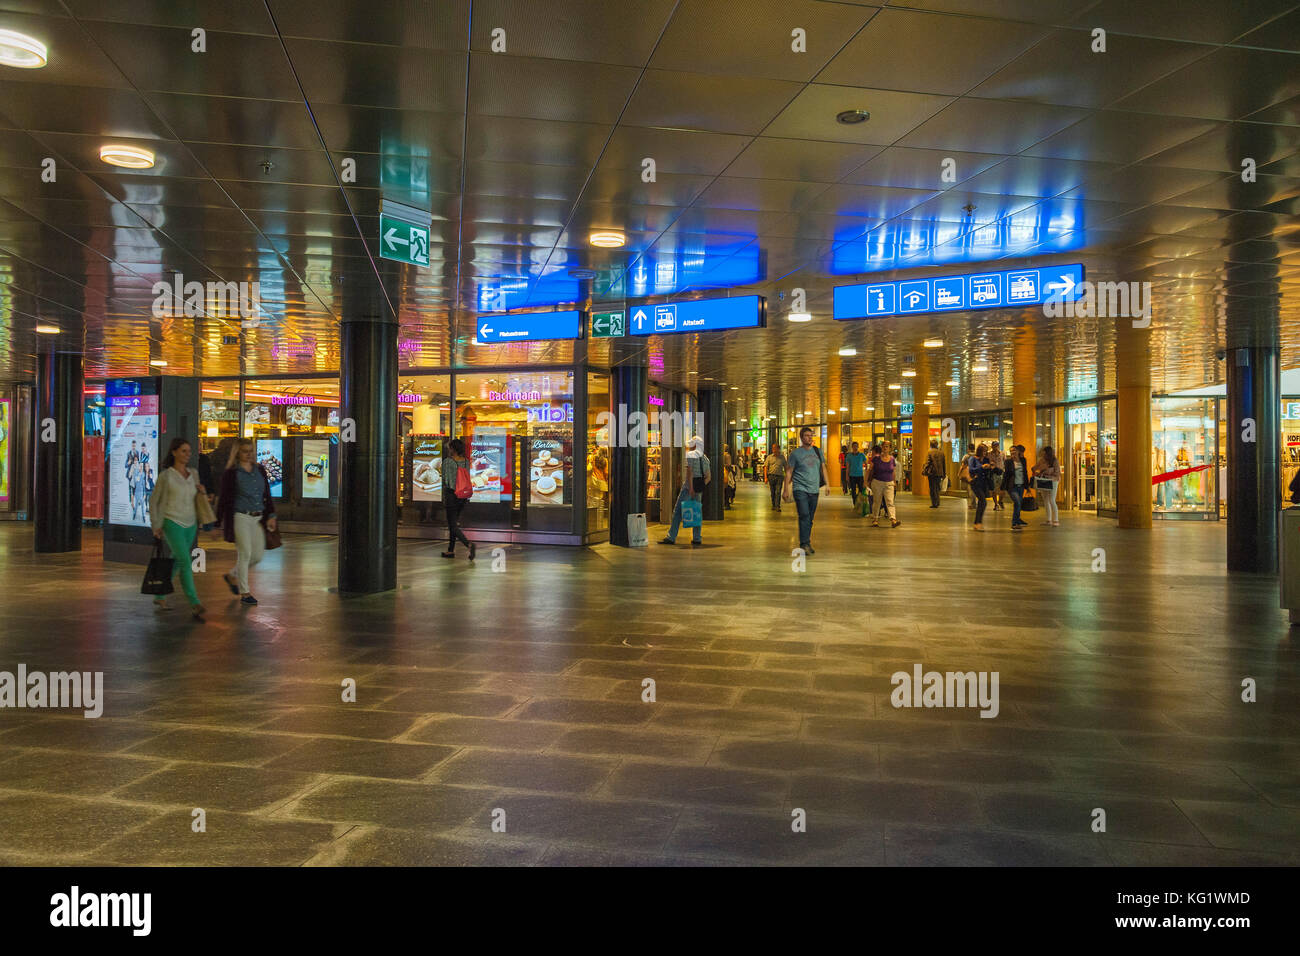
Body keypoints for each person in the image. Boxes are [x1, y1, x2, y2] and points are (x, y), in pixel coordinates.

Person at [148, 437, 207, 619]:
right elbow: (154, 501)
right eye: (183, 451)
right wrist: (156, 524)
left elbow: (198, 498)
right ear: (174, 452)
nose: (187, 455)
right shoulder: (166, 476)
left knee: (176, 560)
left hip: (191, 523)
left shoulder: (193, 474)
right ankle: (194, 602)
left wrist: (203, 492)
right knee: (184, 561)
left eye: (189, 452)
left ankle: (160, 594)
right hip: (171, 521)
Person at [215, 438, 277, 605]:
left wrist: (271, 515)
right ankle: (245, 592)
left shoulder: (260, 470)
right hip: (240, 516)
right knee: (245, 553)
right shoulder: (232, 473)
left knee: (257, 556)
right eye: (245, 451)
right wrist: (216, 523)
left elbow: (267, 495)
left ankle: (232, 575)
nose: (249, 454)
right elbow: (224, 500)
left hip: (258, 517)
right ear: (237, 453)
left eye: (251, 450)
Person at [783, 426, 831, 554]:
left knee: (809, 518)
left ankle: (807, 542)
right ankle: (804, 543)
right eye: (807, 436)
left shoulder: (817, 451)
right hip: (800, 488)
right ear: (801, 438)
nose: (810, 438)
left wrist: (828, 484)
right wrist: (786, 489)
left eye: (811, 435)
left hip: (814, 489)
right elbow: (789, 472)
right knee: (804, 514)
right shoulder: (795, 454)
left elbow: (823, 468)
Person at [660, 435, 710, 547]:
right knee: (697, 512)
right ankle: (697, 538)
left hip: (688, 488)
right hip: (699, 490)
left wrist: (691, 488)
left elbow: (689, 473)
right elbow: (708, 477)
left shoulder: (691, 456)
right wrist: (700, 487)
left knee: (678, 511)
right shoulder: (705, 458)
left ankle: (671, 537)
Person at [440, 438, 476, 560]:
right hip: (463, 495)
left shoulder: (448, 462)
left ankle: (468, 544)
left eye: (450, 447)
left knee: (453, 525)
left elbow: (445, 479)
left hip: (451, 495)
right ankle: (450, 550)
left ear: (453, 449)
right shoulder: (466, 461)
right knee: (453, 524)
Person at [870, 441, 901, 528]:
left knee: (890, 501)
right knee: (877, 501)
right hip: (877, 482)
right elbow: (870, 470)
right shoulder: (876, 458)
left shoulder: (892, 459)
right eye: (884, 446)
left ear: (890, 448)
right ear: (881, 448)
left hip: (889, 483)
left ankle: (893, 520)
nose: (885, 448)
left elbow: (893, 471)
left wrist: (894, 482)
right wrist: (866, 481)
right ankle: (875, 519)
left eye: (887, 446)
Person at [965, 443, 994, 531]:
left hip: (984, 483)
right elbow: (971, 469)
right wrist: (982, 467)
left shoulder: (986, 459)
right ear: (979, 451)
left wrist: (990, 467)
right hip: (975, 483)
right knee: (983, 502)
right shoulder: (973, 459)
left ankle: (977, 523)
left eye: (986, 451)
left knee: (982, 503)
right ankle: (978, 522)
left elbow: (988, 471)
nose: (985, 453)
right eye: (983, 451)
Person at [1033, 446, 1062, 527]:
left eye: (1044, 452)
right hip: (1044, 481)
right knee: (1045, 500)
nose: (1043, 454)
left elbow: (1057, 473)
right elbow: (1034, 468)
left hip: (1053, 481)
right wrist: (1039, 471)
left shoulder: (1055, 461)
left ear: (1048, 453)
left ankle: (1056, 520)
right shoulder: (1042, 460)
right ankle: (1049, 520)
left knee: (1052, 500)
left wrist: (1048, 474)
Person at [1004, 443, 1030, 530]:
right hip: (1012, 487)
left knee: (1018, 504)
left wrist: (1027, 486)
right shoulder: (1008, 462)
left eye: (1014, 450)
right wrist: (1003, 488)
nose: (1013, 452)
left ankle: (1018, 520)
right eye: (1011, 451)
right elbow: (1006, 475)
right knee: (1017, 502)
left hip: (1021, 485)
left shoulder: (1023, 460)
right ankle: (1014, 522)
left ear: (1018, 451)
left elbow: (1025, 473)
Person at [922, 439, 946, 508]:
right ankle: (937, 502)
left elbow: (928, 462)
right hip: (939, 473)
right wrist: (944, 473)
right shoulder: (941, 452)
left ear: (931, 445)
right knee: (937, 488)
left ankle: (934, 503)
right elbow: (944, 464)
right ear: (937, 444)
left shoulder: (930, 452)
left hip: (932, 473)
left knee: (932, 488)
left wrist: (924, 470)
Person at [764, 443, 786, 511]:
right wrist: (765, 477)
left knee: (778, 491)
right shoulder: (769, 457)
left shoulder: (782, 457)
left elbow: (785, 467)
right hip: (771, 476)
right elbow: (766, 467)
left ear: (778, 449)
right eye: (773, 448)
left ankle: (777, 506)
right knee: (773, 492)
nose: (773, 449)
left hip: (779, 476)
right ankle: (773, 504)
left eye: (775, 448)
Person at [845, 442, 867, 506]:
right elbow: (847, 467)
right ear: (852, 447)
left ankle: (861, 504)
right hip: (852, 476)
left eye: (856, 446)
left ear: (858, 447)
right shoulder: (849, 456)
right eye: (854, 446)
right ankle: (855, 504)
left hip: (860, 475)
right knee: (853, 491)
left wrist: (866, 474)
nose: (855, 447)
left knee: (861, 491)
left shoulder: (861, 455)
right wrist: (847, 476)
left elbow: (866, 464)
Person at [987, 441, 1006, 510]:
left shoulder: (1002, 453)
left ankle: (1000, 501)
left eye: (996, 445)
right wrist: (990, 465)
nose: (995, 447)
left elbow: (1005, 462)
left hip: (1001, 472)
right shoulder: (989, 454)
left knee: (1003, 489)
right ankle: (996, 504)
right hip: (993, 473)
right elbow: (987, 463)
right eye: (994, 446)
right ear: (992, 446)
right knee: (994, 490)